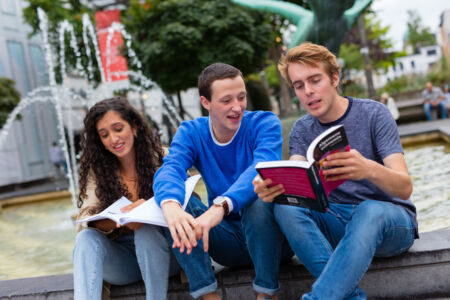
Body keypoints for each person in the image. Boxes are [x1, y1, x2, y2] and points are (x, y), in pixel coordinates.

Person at [253, 42, 418, 300]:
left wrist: (367, 168)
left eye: (315, 80)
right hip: (337, 222)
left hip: (390, 224)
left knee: (368, 209)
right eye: (298, 85)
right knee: (285, 206)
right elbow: (297, 173)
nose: (307, 91)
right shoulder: (302, 129)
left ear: (334, 78)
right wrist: (272, 187)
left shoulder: (375, 113)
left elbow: (405, 187)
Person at [153, 63, 292, 300]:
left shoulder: (264, 123)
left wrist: (221, 206)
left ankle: (266, 293)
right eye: (226, 100)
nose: (237, 107)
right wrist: (170, 206)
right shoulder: (191, 132)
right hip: (228, 243)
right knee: (176, 209)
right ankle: (208, 295)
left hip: (273, 240)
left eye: (241, 97)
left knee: (258, 197)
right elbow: (171, 169)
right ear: (205, 102)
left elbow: (260, 170)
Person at [73, 97, 178, 300]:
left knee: (146, 231)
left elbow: (188, 201)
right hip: (125, 263)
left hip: (167, 255)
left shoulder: (164, 156)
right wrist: (119, 220)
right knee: (86, 239)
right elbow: (84, 217)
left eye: (118, 129)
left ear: (135, 127)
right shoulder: (98, 170)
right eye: (104, 135)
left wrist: (148, 208)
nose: (113, 139)